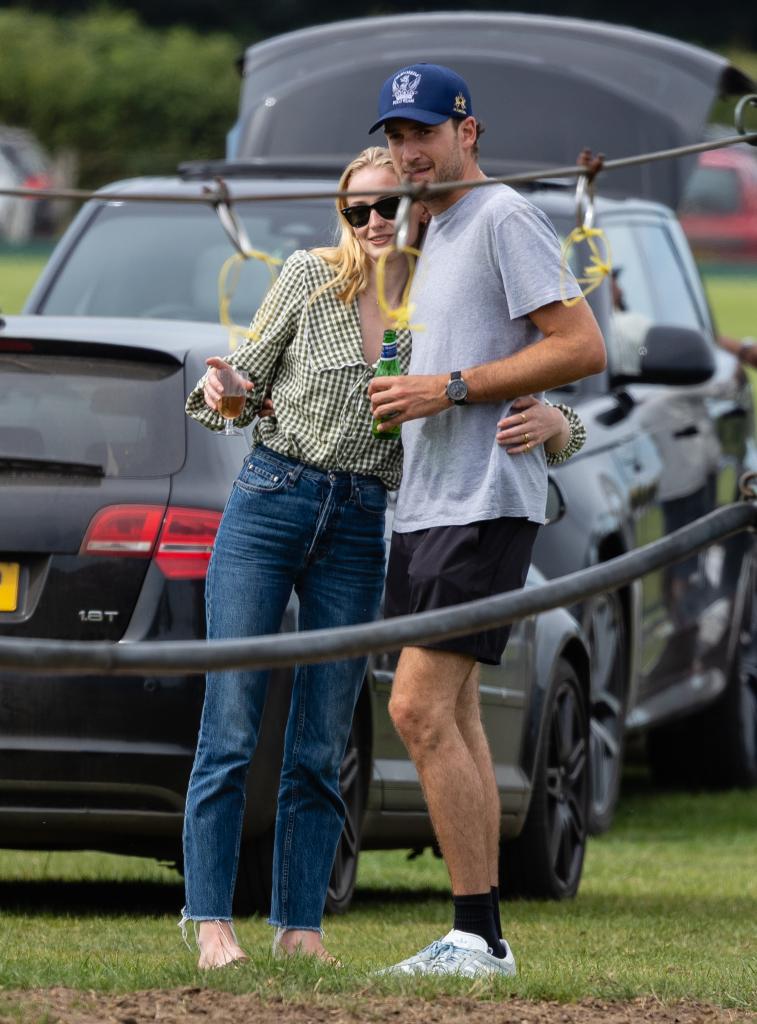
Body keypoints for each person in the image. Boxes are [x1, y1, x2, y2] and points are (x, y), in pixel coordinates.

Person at [180, 146, 586, 970]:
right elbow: (238, 384)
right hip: (272, 500)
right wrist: (223, 390)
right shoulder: (306, 277)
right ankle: (211, 921)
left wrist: (561, 429)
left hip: (368, 520)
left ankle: (300, 928)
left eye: (387, 207)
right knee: (231, 721)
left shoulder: (432, 297)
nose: (372, 223)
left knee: (325, 734)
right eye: (355, 210)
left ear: (416, 207)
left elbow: (521, 384)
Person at [366, 64, 606, 978]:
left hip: (483, 502)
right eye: (394, 135)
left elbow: (579, 345)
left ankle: (476, 934)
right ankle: (481, 936)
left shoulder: (502, 215)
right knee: (449, 713)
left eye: (422, 132)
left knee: (415, 706)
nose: (406, 150)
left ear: (468, 132)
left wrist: (451, 388)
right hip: (426, 503)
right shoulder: (429, 226)